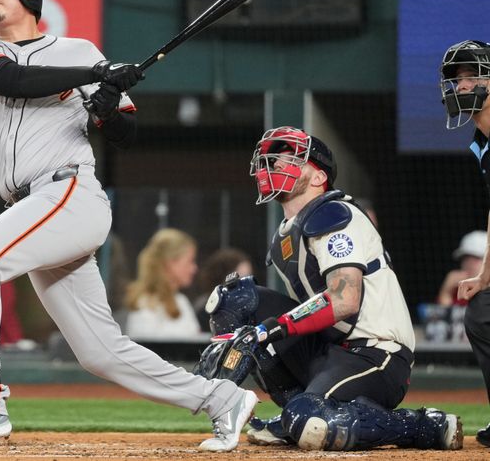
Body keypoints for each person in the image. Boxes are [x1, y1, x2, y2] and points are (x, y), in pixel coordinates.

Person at [0, 0, 256, 451]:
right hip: (33, 207)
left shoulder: (77, 48)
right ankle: (220, 398)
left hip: (70, 194)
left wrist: (105, 111)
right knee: (100, 352)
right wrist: (97, 73)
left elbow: (126, 134)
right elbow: (10, 80)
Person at [194, 126, 462, 451]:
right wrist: (255, 334)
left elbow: (344, 300)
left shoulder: (333, 214)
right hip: (331, 348)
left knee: (309, 418)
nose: (276, 164)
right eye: (273, 158)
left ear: (319, 177)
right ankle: (296, 412)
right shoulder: (286, 233)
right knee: (232, 299)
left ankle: (423, 426)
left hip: (377, 354)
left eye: (291, 158)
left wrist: (267, 331)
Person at [439, 39, 490, 447]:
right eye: (458, 80)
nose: (463, 86)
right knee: (481, 314)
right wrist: (486, 275)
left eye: (473, 76)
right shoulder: (482, 143)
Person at [123, 228, 203, 340]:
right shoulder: (144, 305)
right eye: (190, 261)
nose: (194, 268)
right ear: (170, 262)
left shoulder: (181, 301)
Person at [193, 247, 253, 328]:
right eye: (240, 280)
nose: (247, 285)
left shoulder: (250, 309)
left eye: (248, 279)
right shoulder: (207, 310)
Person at [437, 230, 486, 308]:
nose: (468, 263)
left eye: (476, 258)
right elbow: (444, 318)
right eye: (465, 258)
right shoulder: (459, 293)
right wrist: (446, 293)